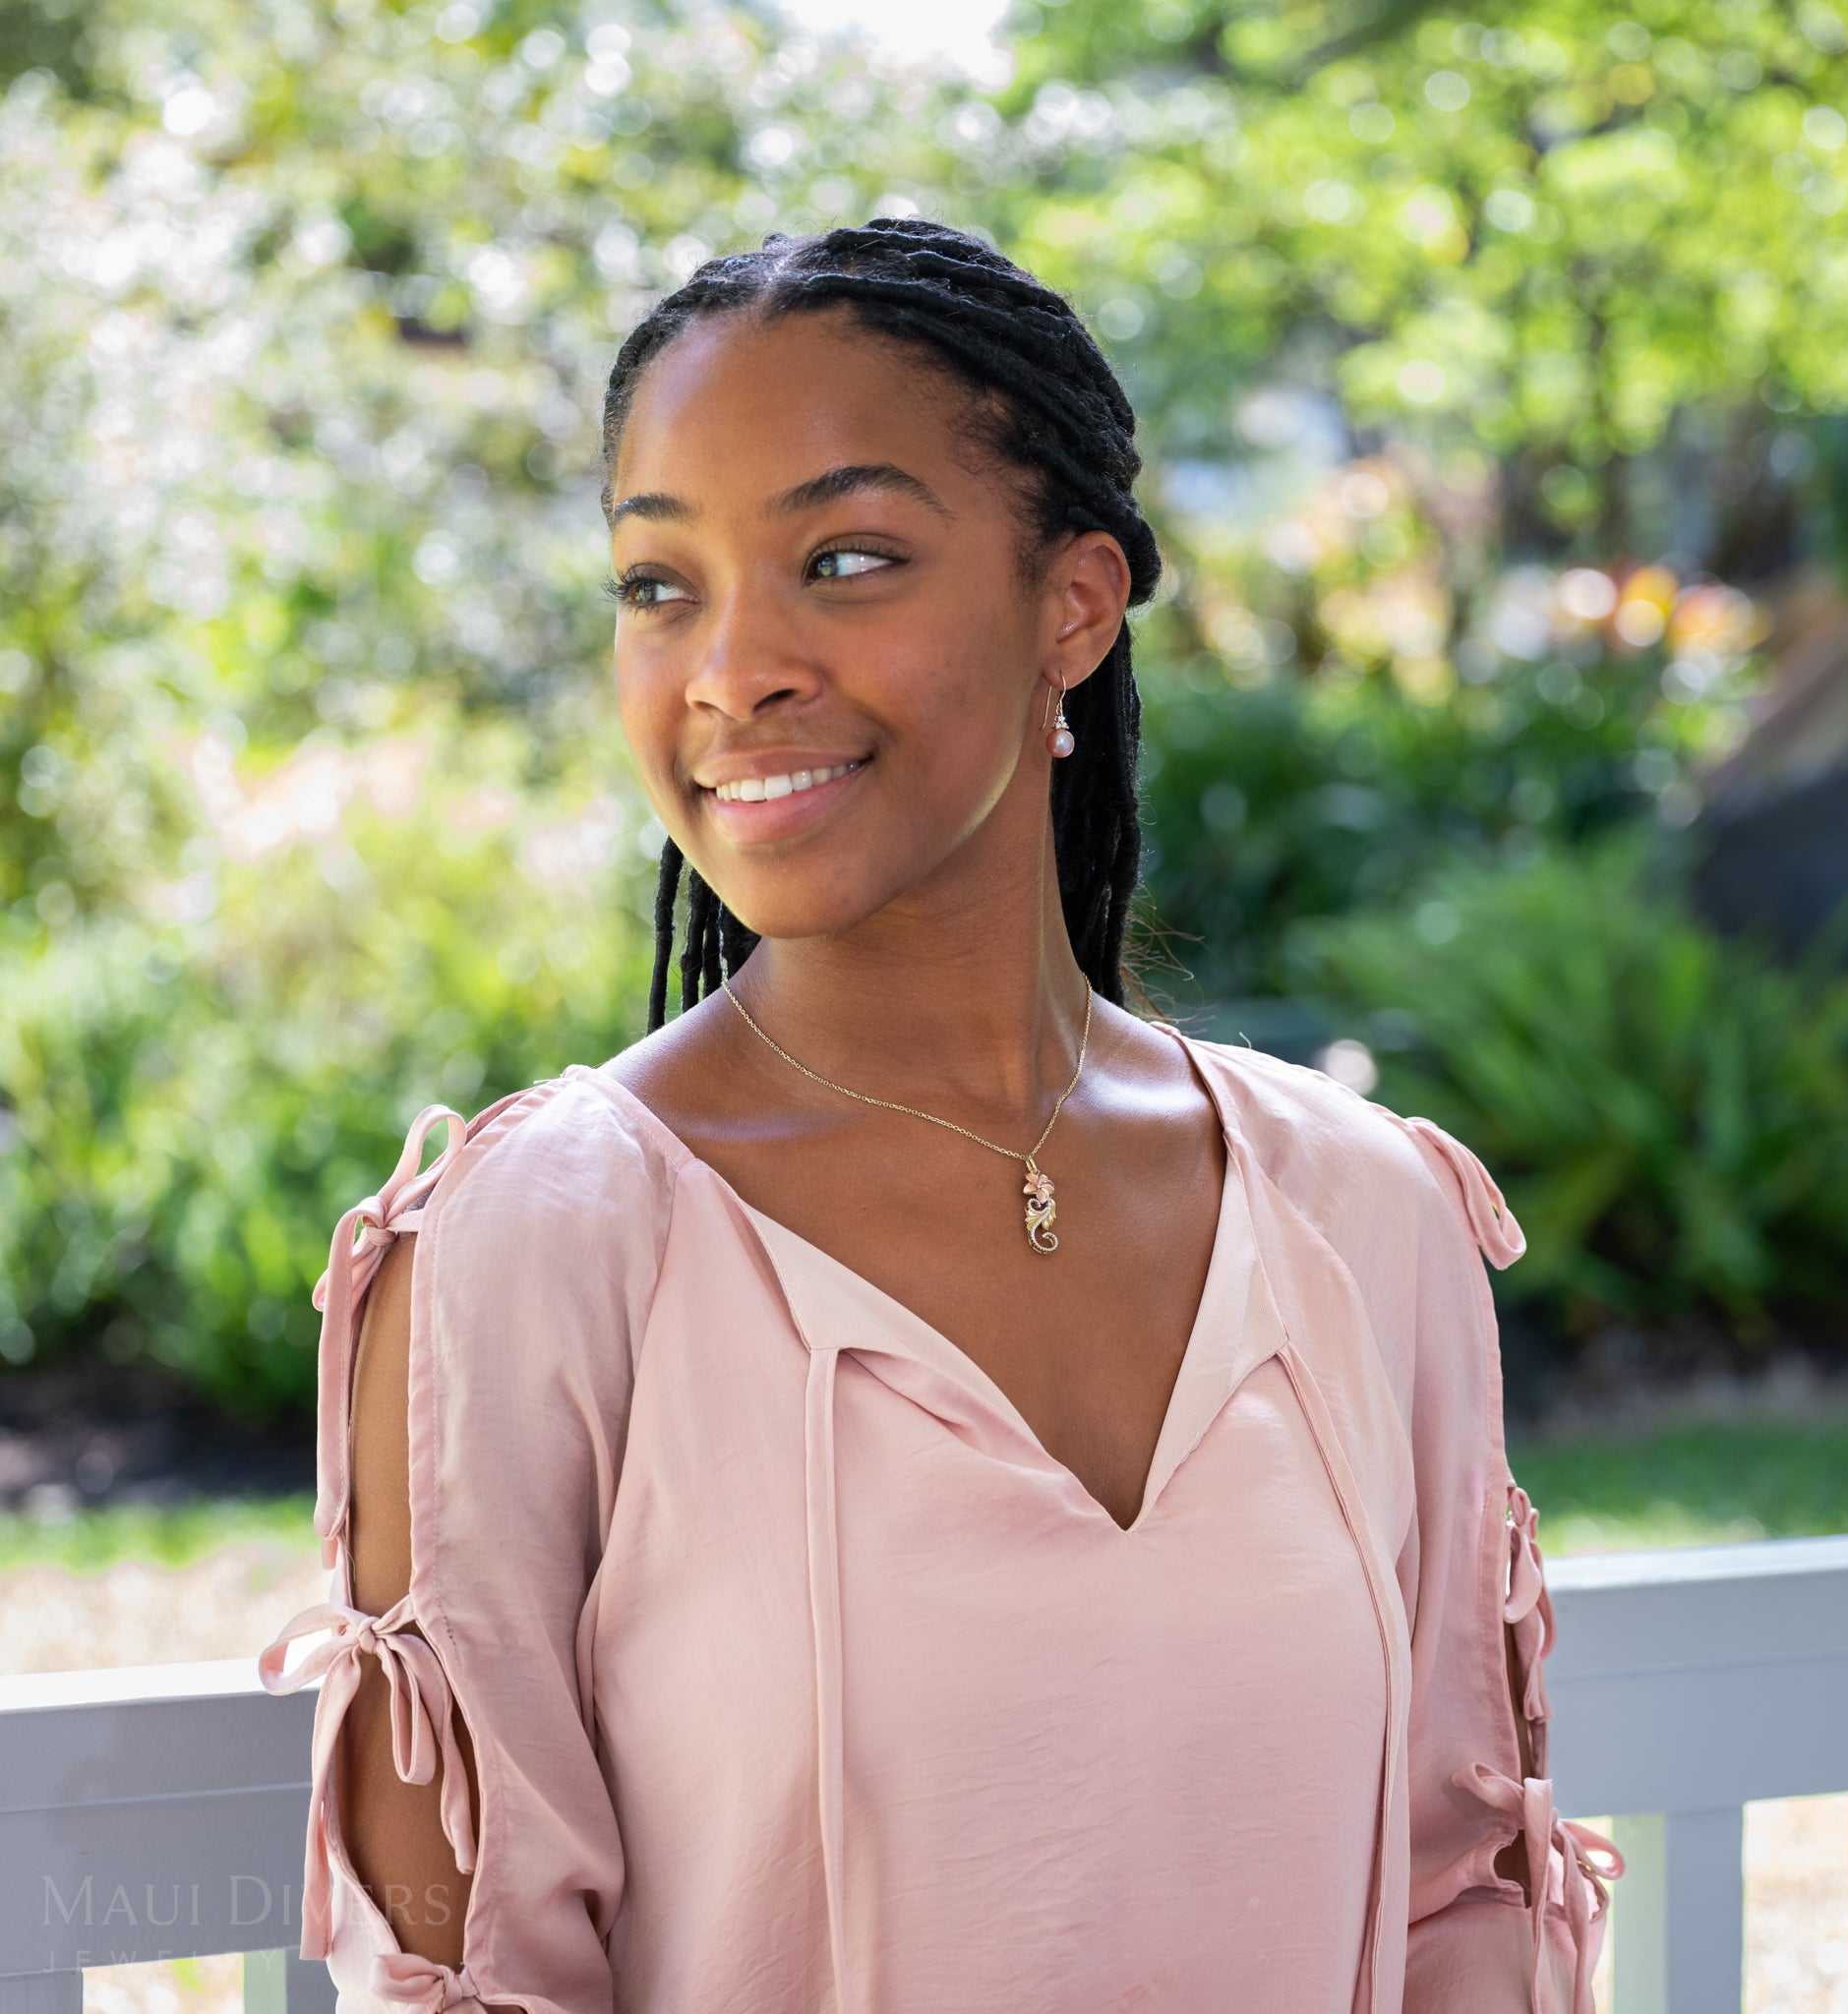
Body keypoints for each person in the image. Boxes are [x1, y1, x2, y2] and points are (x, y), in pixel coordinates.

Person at [258, 218, 1619, 2014]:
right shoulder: (536, 1251)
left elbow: (1464, 1909)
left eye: (844, 558)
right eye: (659, 585)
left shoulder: (1364, 1215)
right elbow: (470, 1983)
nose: (732, 667)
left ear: (1073, 602)